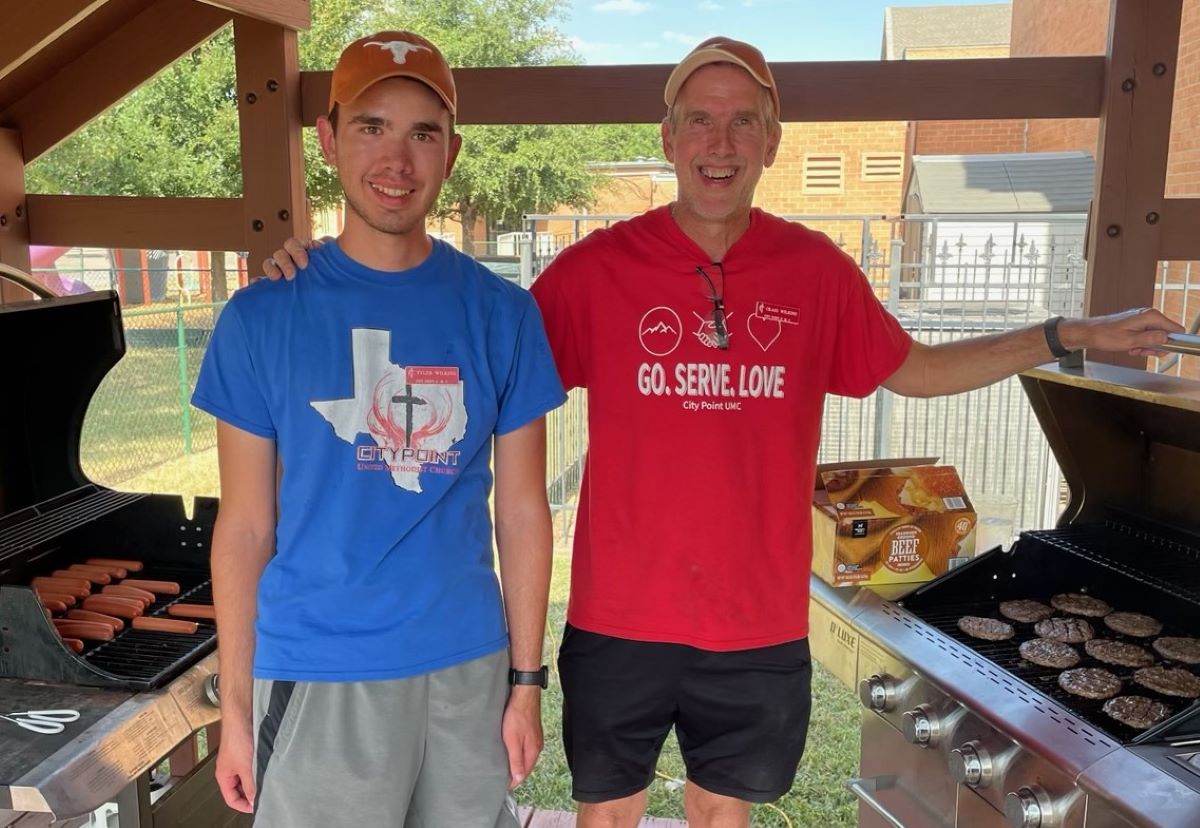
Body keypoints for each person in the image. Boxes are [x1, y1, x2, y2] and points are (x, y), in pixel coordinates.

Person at [262, 36, 1183, 828]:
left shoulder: (814, 271)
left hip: (754, 624)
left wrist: (1064, 335)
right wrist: (328, 274)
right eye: (699, 120)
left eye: (743, 120)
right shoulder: (595, 273)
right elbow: (468, 342)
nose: (719, 141)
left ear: (773, 143)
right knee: (609, 811)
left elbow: (924, 370)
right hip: (619, 619)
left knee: (720, 812)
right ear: (667, 139)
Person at [195, 30, 566, 827]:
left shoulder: (501, 313)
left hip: (467, 668)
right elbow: (247, 527)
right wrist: (234, 712)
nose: (397, 160)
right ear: (327, 139)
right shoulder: (263, 316)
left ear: (452, 152)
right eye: (371, 127)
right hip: (321, 670)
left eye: (422, 133)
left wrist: (527, 683)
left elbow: (524, 510)